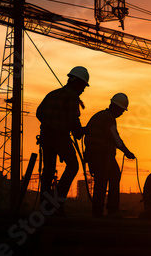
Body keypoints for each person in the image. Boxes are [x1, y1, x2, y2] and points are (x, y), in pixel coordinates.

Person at [36, 66, 89, 212]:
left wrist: (49, 123)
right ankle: (56, 202)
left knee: (48, 170)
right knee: (73, 166)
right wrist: (80, 131)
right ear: (77, 82)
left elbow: (39, 112)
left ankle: (45, 204)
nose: (83, 90)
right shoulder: (72, 96)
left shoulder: (52, 94)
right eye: (83, 86)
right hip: (59, 136)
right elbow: (73, 119)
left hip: (46, 137)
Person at [85, 93, 135, 218]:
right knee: (106, 180)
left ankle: (99, 211)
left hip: (93, 156)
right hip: (102, 156)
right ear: (116, 107)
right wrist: (127, 152)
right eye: (122, 111)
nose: (122, 113)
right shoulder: (108, 119)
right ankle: (110, 210)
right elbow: (115, 137)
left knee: (102, 181)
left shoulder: (98, 116)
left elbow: (86, 131)